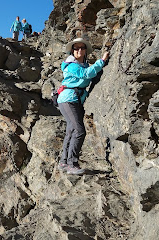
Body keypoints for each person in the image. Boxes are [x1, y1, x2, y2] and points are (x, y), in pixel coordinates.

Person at [57, 38, 109, 175]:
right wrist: (101, 62)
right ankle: (72, 164)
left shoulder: (84, 65)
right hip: (69, 99)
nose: (79, 50)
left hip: (73, 100)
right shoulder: (71, 65)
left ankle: (63, 162)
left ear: (85, 51)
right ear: (72, 51)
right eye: (76, 48)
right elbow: (86, 75)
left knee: (71, 131)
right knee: (79, 131)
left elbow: (88, 71)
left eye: (82, 48)